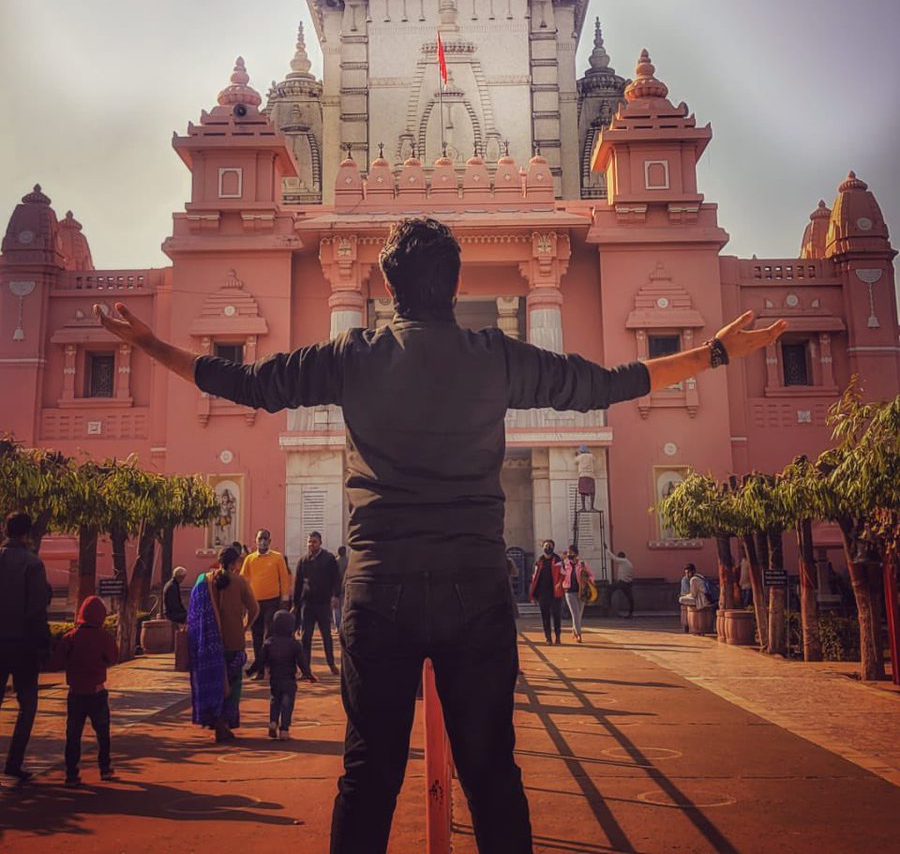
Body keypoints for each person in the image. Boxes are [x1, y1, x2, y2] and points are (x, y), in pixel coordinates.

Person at [95, 216, 786, 854]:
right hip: (475, 589)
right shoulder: (494, 357)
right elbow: (607, 383)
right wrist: (715, 352)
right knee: (490, 773)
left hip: (379, 587)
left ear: (389, 288)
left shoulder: (353, 355)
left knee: (368, 775)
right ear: (456, 284)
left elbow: (244, 381)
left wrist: (149, 342)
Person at [188, 546, 258, 742]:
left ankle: (216, 721)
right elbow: (254, 609)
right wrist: (245, 627)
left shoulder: (203, 581)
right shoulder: (240, 581)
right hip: (234, 642)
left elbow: (193, 613)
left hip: (208, 643)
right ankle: (224, 724)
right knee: (232, 684)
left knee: (215, 682)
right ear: (235, 563)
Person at [0, 511, 51, 783]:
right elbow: (37, 610)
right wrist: (44, 646)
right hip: (23, 645)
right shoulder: (32, 564)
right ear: (26, 533)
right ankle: (14, 761)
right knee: (27, 705)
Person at [55, 596, 118, 787]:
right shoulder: (104, 637)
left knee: (73, 735)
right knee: (103, 733)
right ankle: (105, 768)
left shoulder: (71, 637)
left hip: (75, 693)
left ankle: (71, 774)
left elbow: (57, 660)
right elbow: (113, 657)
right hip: (97, 692)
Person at [241, 529, 291, 679]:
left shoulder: (277, 558)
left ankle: (269, 666)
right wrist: (243, 602)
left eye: (265, 539)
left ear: (269, 541)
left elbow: (284, 579)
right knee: (256, 636)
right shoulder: (249, 559)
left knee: (268, 636)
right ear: (255, 541)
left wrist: (284, 601)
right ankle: (260, 670)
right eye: (260, 538)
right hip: (254, 604)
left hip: (272, 602)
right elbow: (243, 580)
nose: (262, 541)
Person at [261, 608, 317, 740]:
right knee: (287, 703)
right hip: (289, 680)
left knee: (275, 700)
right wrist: (309, 675)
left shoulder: (269, 643)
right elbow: (302, 662)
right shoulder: (294, 644)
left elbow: (261, 660)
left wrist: (252, 670)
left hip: (274, 678)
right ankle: (284, 730)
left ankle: (273, 722)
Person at [293, 531, 341, 674]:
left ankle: (331, 664)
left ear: (320, 542)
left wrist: (335, 596)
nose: (311, 544)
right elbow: (298, 584)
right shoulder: (303, 561)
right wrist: (296, 604)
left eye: (314, 541)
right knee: (305, 637)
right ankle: (305, 669)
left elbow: (336, 579)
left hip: (323, 604)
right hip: (307, 605)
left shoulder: (329, 559)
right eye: (309, 541)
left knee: (326, 635)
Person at [529, 540, 564, 646]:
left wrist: (560, 583)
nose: (547, 548)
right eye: (545, 546)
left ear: (553, 547)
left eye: (549, 546)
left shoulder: (558, 560)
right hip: (542, 593)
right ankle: (548, 637)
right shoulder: (539, 561)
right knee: (545, 616)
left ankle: (557, 637)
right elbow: (534, 578)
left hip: (555, 593)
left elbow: (563, 574)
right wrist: (533, 594)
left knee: (556, 615)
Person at [561, 545, 594, 643]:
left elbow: (591, 574)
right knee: (575, 613)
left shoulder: (583, 564)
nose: (569, 555)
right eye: (568, 553)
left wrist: (589, 581)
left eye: (571, 553)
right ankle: (578, 634)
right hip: (569, 591)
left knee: (579, 613)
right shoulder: (565, 564)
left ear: (576, 554)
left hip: (581, 591)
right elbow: (560, 574)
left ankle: (574, 630)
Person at [606, 548, 635, 619]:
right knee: (630, 598)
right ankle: (630, 613)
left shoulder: (623, 561)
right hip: (628, 583)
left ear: (621, 557)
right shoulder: (629, 563)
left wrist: (607, 549)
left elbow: (614, 558)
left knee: (609, 589)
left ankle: (609, 606)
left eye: (619, 557)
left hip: (622, 582)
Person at [333, 545, 349, 632]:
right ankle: (344, 625)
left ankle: (337, 626)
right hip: (346, 586)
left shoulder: (335, 561)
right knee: (344, 606)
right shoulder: (349, 561)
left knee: (336, 608)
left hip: (336, 587)